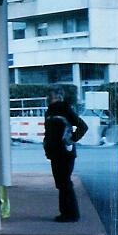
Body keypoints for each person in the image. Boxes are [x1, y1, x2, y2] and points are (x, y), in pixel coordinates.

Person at [43, 86, 88, 223]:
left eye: (51, 96)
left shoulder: (66, 109)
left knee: (65, 183)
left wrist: (72, 139)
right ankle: (65, 213)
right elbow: (49, 133)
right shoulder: (49, 112)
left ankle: (72, 214)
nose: (48, 99)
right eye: (48, 96)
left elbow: (83, 126)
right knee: (61, 183)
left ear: (59, 96)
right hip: (54, 153)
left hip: (65, 152)